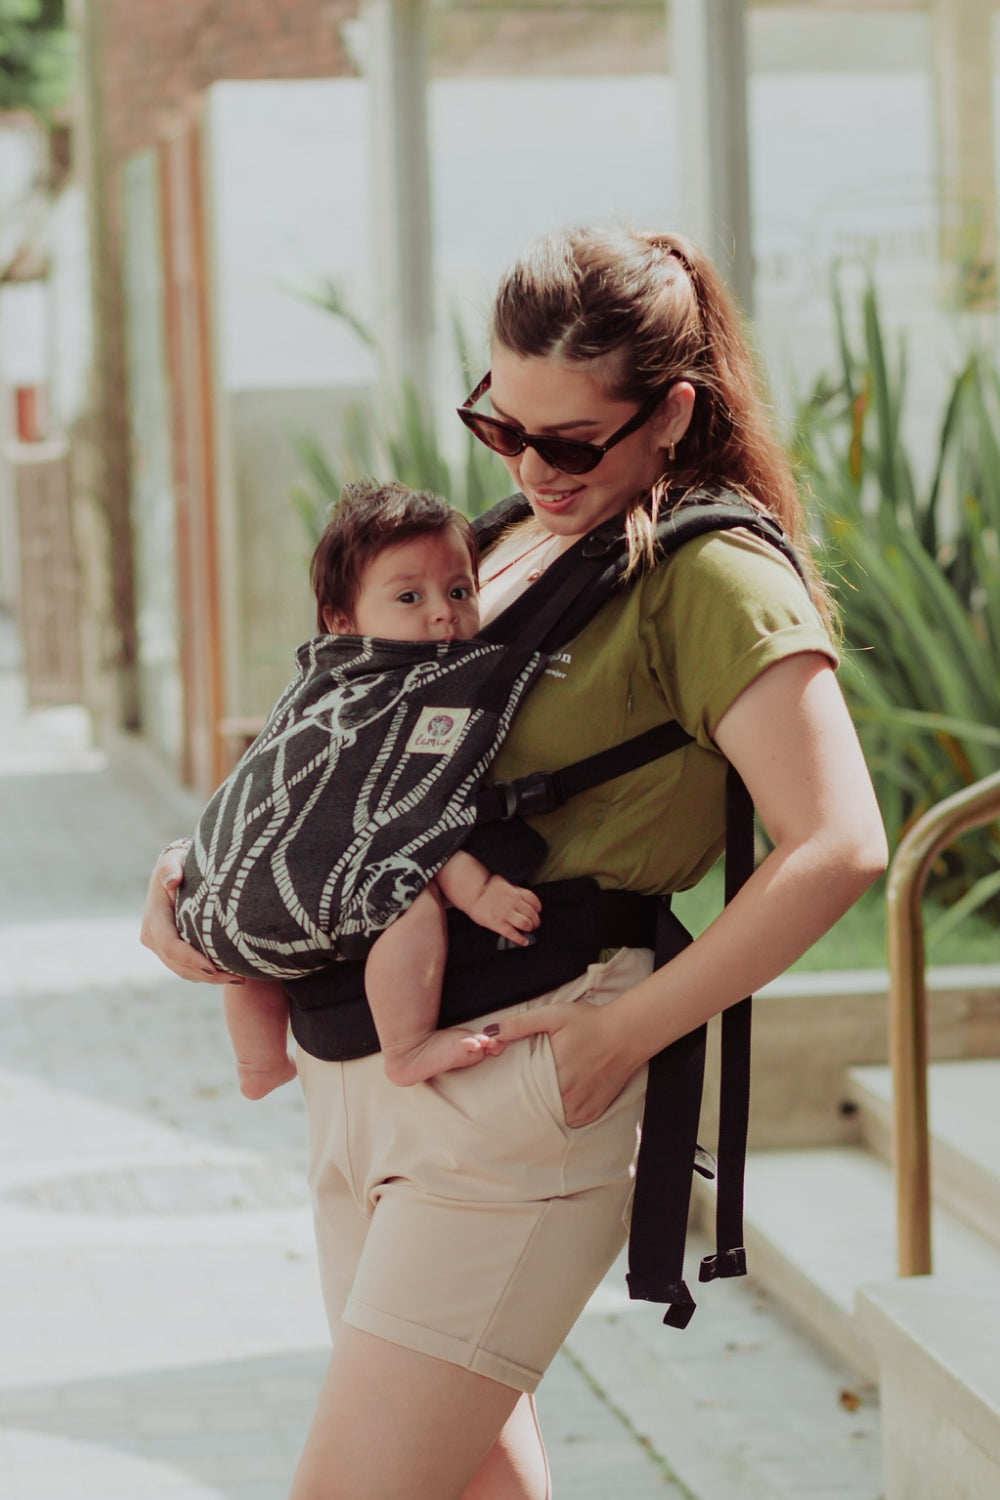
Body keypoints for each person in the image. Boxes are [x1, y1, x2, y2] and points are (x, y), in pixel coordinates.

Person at [141, 226, 888, 1500]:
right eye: (505, 428)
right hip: (363, 1078)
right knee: (476, 1484)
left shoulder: (710, 574)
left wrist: (621, 1038)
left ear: (672, 415)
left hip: (522, 1087)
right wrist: (200, 892)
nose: (533, 467)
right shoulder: (492, 546)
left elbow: (839, 844)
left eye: (571, 440)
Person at [177, 479, 542, 1095]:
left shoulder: (317, 684)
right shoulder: (419, 694)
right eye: (409, 595)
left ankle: (259, 1062)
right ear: (343, 620)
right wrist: (477, 893)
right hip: (287, 895)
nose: (443, 611)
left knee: (254, 955)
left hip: (217, 907)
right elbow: (409, 813)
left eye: (460, 590)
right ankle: (408, 1045)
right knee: (407, 898)